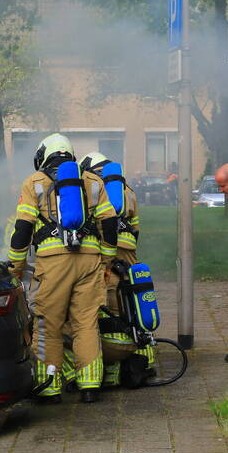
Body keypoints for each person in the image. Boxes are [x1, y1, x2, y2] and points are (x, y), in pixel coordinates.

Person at [7, 134, 118, 404]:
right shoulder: (93, 181)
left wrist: (16, 267)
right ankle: (90, 386)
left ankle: (49, 388)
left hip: (53, 263)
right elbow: (110, 224)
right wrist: (107, 262)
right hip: (90, 260)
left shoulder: (34, 183)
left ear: (44, 156)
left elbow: (22, 229)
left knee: (47, 325)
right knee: (86, 323)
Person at [78, 152, 142, 388]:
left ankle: (110, 371)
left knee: (108, 311)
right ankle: (144, 357)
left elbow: (97, 224)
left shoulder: (94, 189)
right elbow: (136, 228)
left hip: (109, 253)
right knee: (133, 307)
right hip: (130, 256)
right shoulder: (129, 191)